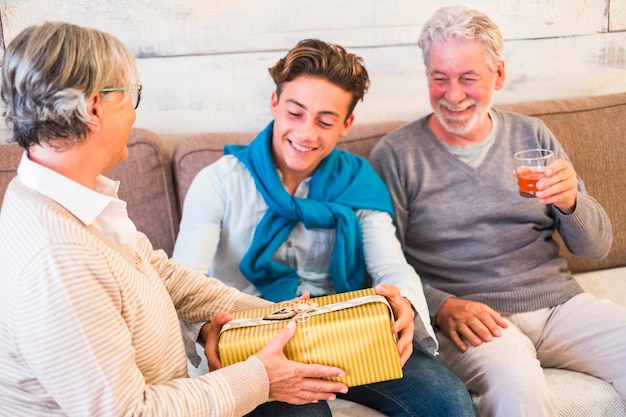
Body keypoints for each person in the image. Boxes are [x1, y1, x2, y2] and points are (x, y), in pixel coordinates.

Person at [0, 22, 355, 417]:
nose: (134, 114)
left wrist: (271, 314)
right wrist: (261, 378)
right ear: (94, 107)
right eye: (131, 96)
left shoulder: (67, 194)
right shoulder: (57, 258)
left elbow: (161, 273)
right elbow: (130, 413)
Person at [173, 38, 475, 417]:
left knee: (446, 400)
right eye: (295, 113)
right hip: (254, 341)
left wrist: (406, 307)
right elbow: (186, 280)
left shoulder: (359, 181)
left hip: (343, 331)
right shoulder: (217, 183)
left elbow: (391, 266)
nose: (306, 134)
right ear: (274, 104)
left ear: (347, 124)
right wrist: (204, 329)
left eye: (326, 121)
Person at [369, 5, 626, 417]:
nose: (453, 95)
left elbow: (596, 247)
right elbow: (380, 263)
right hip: (473, 319)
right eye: (440, 78)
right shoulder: (398, 155)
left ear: (499, 76)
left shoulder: (532, 135)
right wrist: (440, 305)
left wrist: (571, 202)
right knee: (518, 388)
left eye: (468, 78)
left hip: (559, 304)